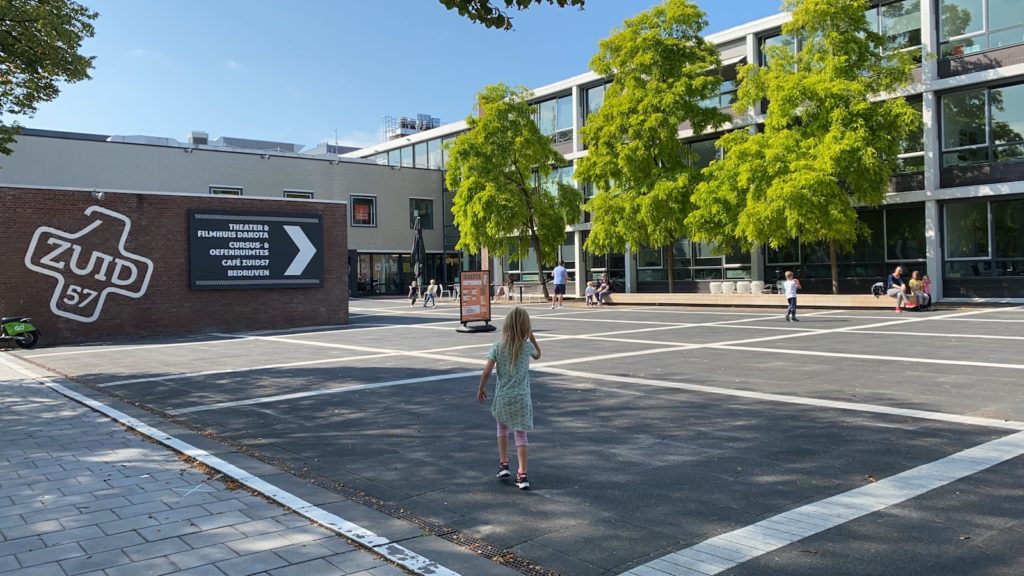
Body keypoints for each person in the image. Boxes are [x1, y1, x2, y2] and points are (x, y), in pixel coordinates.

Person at [477, 307, 542, 490]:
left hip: (503, 397)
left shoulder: (497, 347)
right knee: (520, 435)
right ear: (526, 327)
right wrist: (532, 337)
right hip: (521, 398)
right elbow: (538, 355)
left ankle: (504, 463)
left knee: (502, 429)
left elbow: (487, 370)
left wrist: (481, 388)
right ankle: (522, 474)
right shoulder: (526, 346)